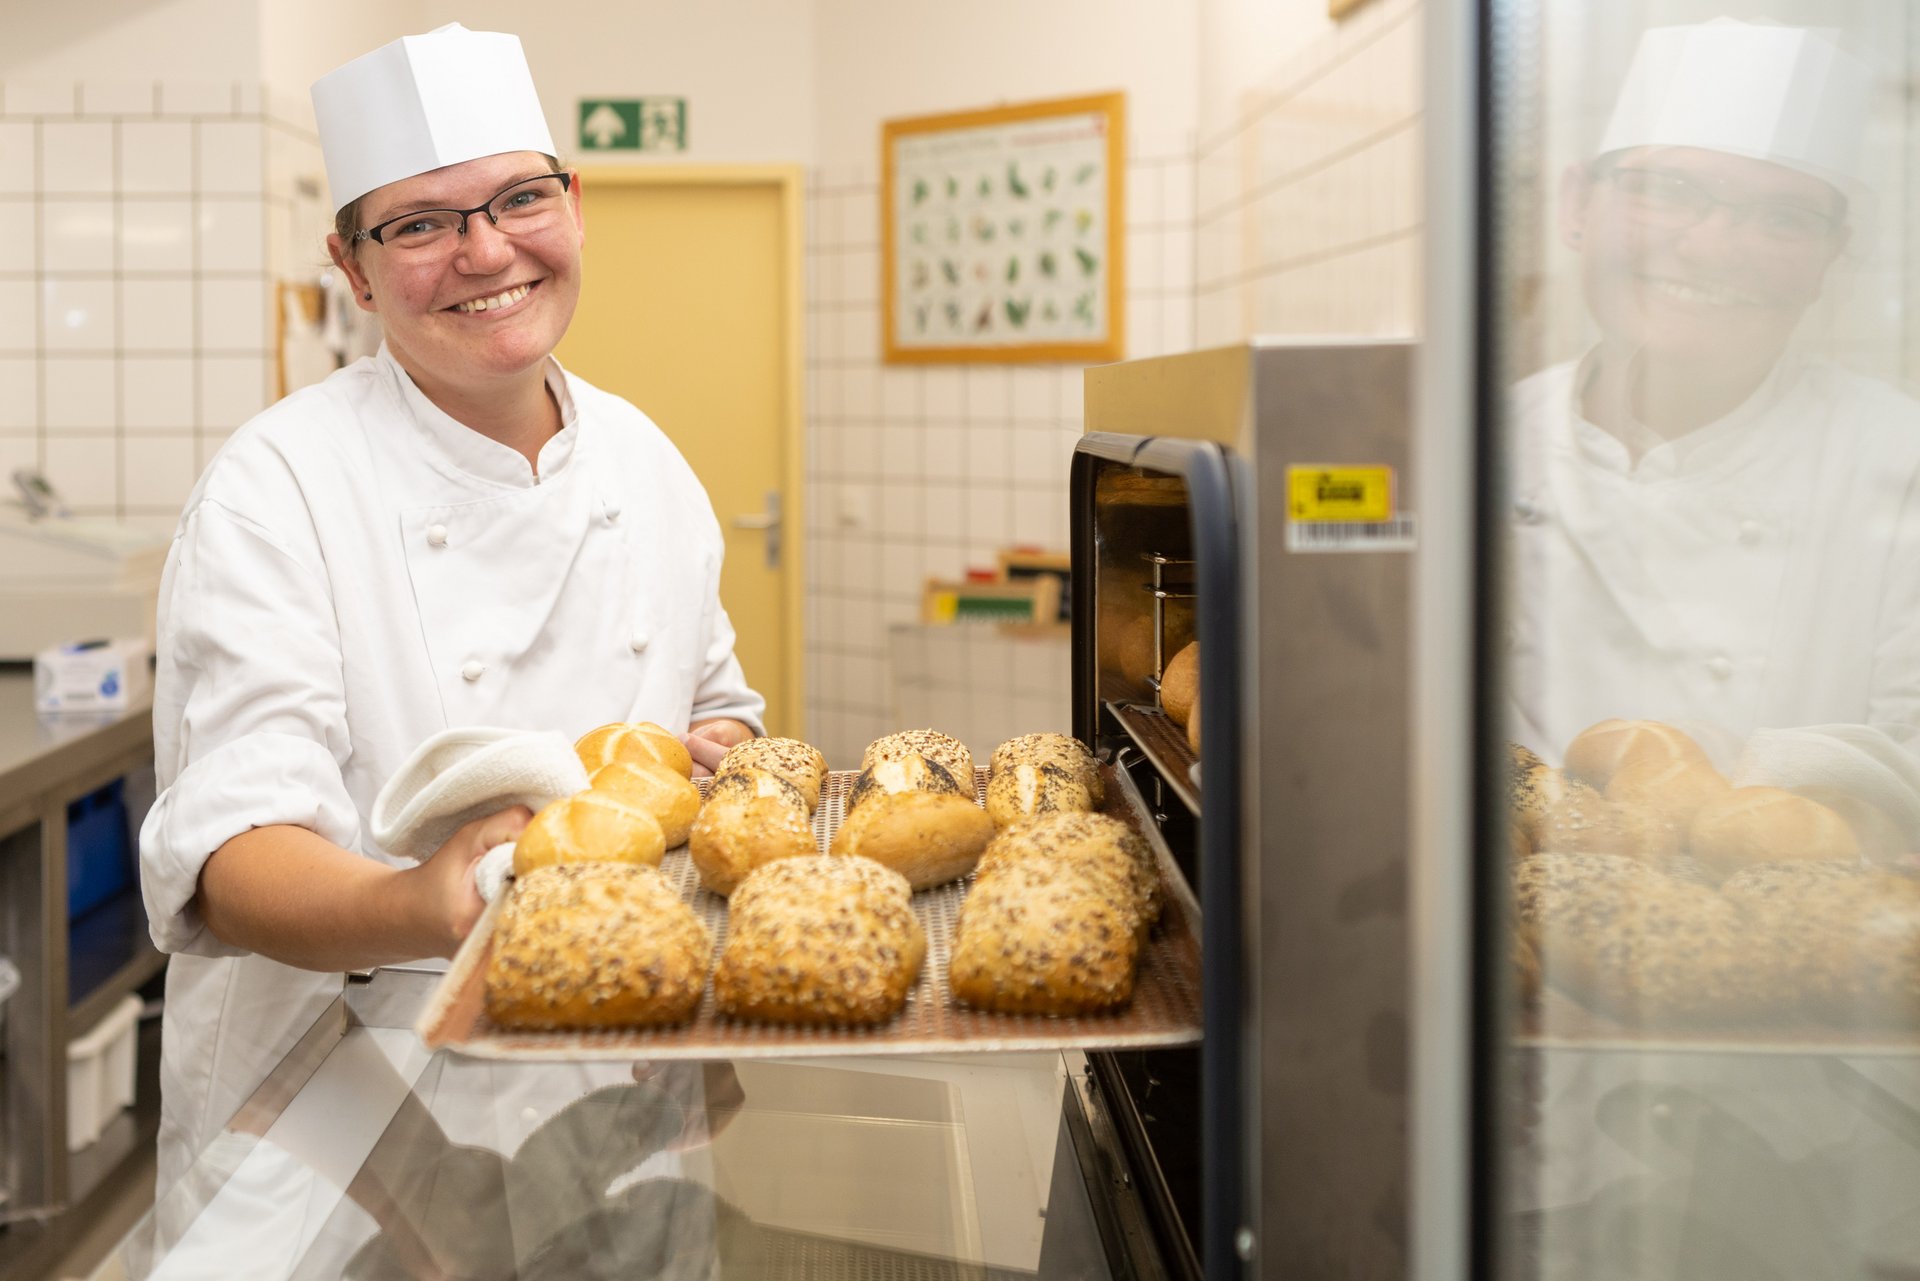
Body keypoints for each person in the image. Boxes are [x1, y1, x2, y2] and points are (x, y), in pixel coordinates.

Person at [138, 23, 763, 1198]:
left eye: (520, 199)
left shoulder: (645, 459)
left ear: (574, 206)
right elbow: (230, 855)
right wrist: (425, 903)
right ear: (354, 267)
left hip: (622, 1077)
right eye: (420, 224)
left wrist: (720, 761)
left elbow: (716, 709)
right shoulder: (278, 487)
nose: (486, 252)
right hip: (337, 1120)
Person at [1506, 17, 1920, 845]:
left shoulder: (1899, 460)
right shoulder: (1482, 442)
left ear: (1830, 256)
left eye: (1785, 216)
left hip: (1803, 914)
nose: (1713, 247)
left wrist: (1727, 787)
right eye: (1669, 190)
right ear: (1577, 204)